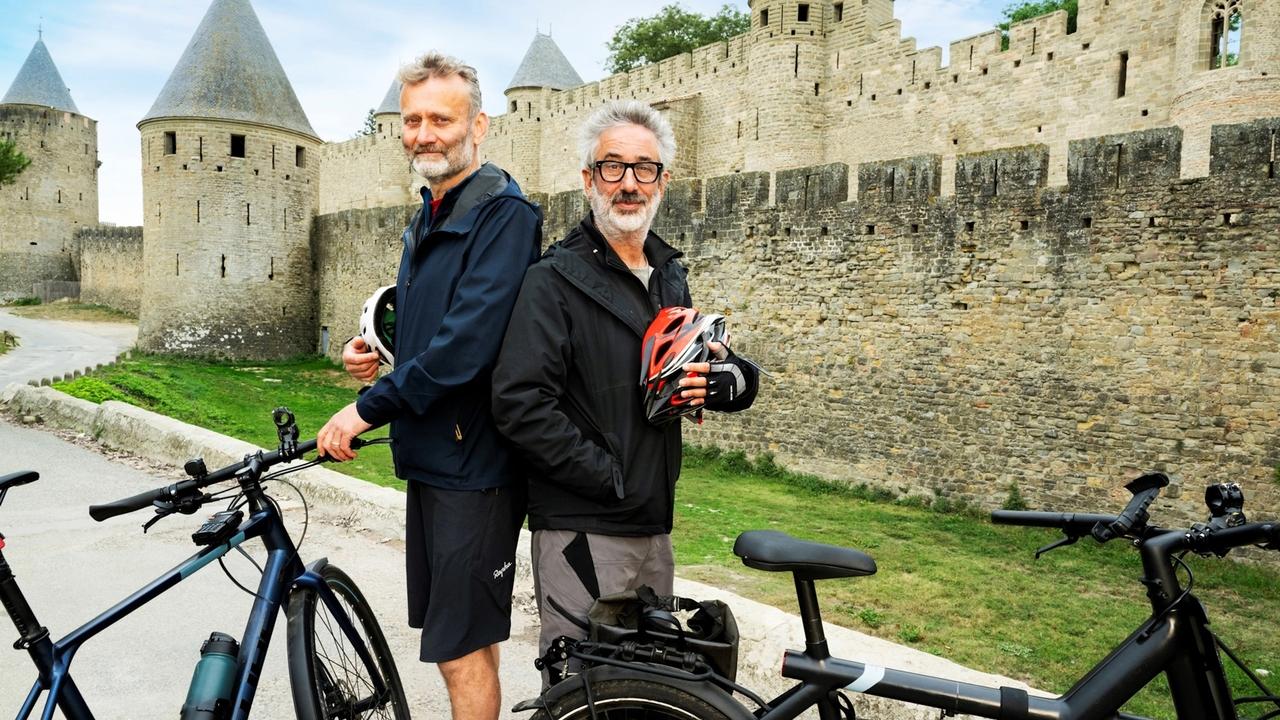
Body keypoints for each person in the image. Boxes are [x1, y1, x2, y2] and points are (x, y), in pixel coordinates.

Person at [490, 100, 758, 681]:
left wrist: (728, 379)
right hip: (584, 528)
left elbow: (681, 365)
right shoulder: (553, 281)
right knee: (586, 693)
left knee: (648, 693)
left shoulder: (668, 274)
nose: (629, 184)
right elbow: (519, 404)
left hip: (652, 523)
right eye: (613, 167)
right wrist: (610, 477)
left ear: (664, 181)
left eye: (645, 168)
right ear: (588, 179)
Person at [316, 52, 541, 720]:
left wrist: (364, 409)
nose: (422, 133)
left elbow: (466, 348)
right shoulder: (429, 214)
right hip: (437, 459)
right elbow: (432, 331)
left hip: (477, 467)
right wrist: (376, 354)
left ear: (479, 125)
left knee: (457, 648)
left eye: (440, 118)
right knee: (468, 638)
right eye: (411, 119)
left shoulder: (503, 213)